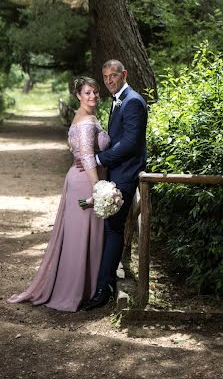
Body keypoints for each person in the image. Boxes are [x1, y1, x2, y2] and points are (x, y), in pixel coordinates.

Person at [8, 77, 110, 312]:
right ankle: (75, 290)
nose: (93, 96)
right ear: (78, 95)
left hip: (79, 177)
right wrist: (98, 189)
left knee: (79, 235)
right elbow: (86, 156)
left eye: (95, 92)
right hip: (86, 182)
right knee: (80, 237)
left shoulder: (81, 117)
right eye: (87, 93)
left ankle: (82, 287)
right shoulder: (85, 123)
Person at [81, 59, 148, 311]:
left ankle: (102, 289)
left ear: (124, 74)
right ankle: (104, 283)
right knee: (111, 228)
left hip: (126, 175)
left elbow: (130, 143)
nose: (109, 80)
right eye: (105, 76)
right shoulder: (118, 100)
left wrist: (97, 158)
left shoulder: (133, 102)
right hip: (115, 173)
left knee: (114, 229)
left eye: (113, 75)